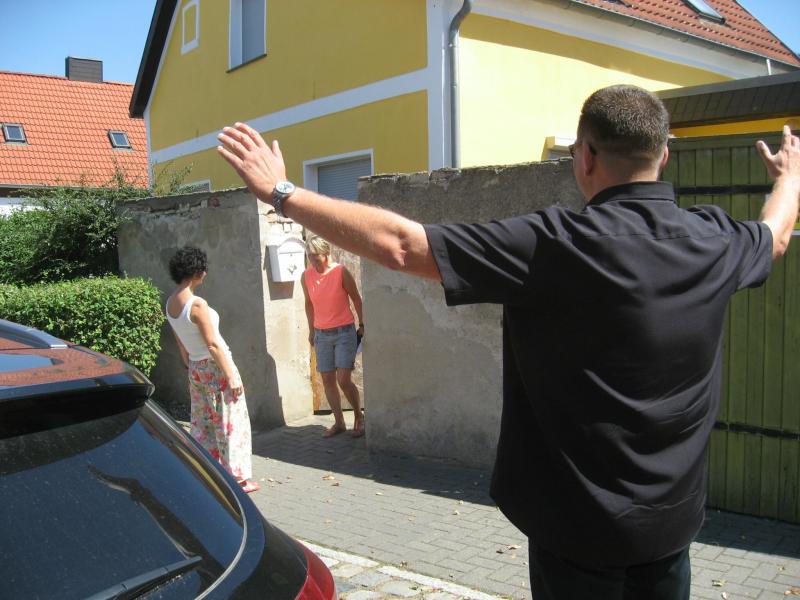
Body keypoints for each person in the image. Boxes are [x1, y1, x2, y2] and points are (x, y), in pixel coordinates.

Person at [217, 85, 800, 597]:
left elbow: (402, 245)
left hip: (575, 534)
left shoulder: (553, 244)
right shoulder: (714, 239)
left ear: (585, 155)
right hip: (670, 529)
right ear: (664, 154)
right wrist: (790, 177)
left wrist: (282, 192)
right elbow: (774, 236)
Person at [165, 246, 260, 493]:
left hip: (196, 368)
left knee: (203, 421)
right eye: (204, 269)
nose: (206, 273)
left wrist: (191, 365)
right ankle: (238, 479)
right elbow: (213, 344)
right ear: (196, 271)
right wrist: (231, 375)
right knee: (230, 420)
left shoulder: (170, 303)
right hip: (215, 366)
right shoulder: (197, 304)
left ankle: (209, 472)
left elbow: (181, 342)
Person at [301, 234, 365, 438]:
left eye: (316, 256)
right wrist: (311, 330)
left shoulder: (340, 272)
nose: (313, 260)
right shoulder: (306, 276)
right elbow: (309, 304)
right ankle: (339, 423)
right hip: (321, 334)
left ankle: (359, 416)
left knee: (343, 379)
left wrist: (362, 324)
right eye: (309, 256)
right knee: (327, 379)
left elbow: (356, 299)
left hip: (344, 332)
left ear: (326, 253)